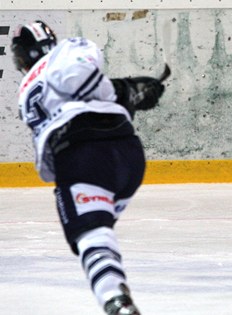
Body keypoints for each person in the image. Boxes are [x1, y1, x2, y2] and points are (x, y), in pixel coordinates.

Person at [11, 20, 166, 315]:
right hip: (127, 153)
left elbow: (74, 82)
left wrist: (125, 91)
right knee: (98, 234)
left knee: (93, 236)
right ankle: (116, 296)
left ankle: (115, 301)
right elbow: (82, 82)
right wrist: (127, 90)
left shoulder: (27, 88)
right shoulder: (68, 49)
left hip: (81, 156)